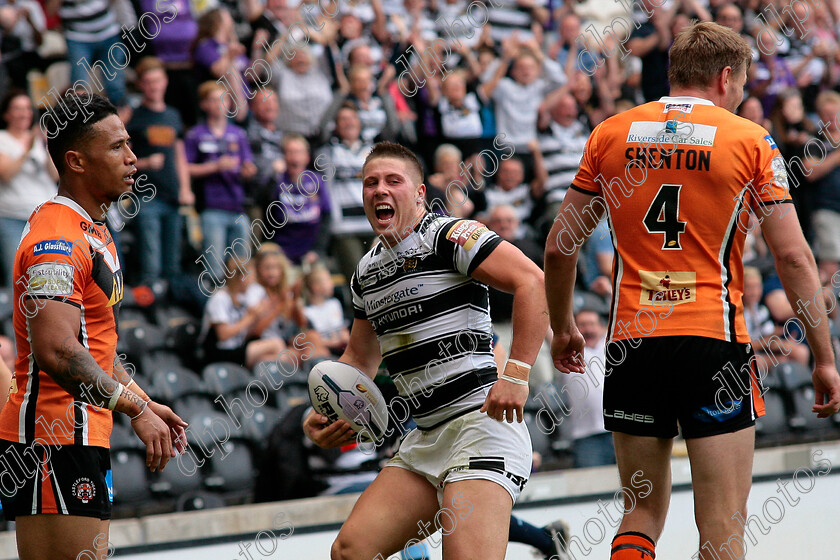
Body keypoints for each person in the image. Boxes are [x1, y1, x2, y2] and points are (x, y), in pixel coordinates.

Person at [544, 22, 840, 560]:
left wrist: (564, 328)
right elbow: (794, 256)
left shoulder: (611, 133)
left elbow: (560, 248)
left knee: (640, 513)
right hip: (714, 340)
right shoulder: (748, 139)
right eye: (744, 85)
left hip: (633, 343)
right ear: (727, 77)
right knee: (722, 524)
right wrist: (824, 356)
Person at [304, 142, 549, 560]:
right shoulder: (365, 273)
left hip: (482, 427)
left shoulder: (450, 236)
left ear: (419, 193)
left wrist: (517, 374)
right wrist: (325, 410)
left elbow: (533, 281)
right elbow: (359, 361)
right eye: (370, 183)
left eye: (392, 181)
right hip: (426, 436)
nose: (379, 190)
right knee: (351, 551)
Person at [0, 92, 187, 560]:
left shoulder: (94, 229)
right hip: (53, 437)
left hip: (81, 434)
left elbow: (93, 348)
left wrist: (145, 400)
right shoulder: (56, 241)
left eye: (130, 144)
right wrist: (135, 411)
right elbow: (60, 352)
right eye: (117, 147)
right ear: (76, 161)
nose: (133, 158)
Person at [125, 57, 193, 287]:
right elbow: (120, 159)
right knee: (150, 261)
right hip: (146, 196)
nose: (154, 86)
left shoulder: (173, 115)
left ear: (165, 82)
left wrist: (185, 188)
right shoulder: (133, 115)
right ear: (141, 85)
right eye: (148, 82)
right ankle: (149, 306)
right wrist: (144, 163)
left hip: (172, 194)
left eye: (157, 81)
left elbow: (179, 155)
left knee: (172, 261)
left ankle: (171, 310)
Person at [0, 89, 57, 287]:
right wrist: (27, 148)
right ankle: (16, 318)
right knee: (17, 275)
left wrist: (49, 146)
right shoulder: (2, 139)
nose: (24, 113)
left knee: (49, 274)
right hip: (13, 218)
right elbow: (5, 174)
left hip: (44, 218)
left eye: (26, 108)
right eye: (17, 108)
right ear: (6, 114)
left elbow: (55, 176)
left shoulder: (38, 140)